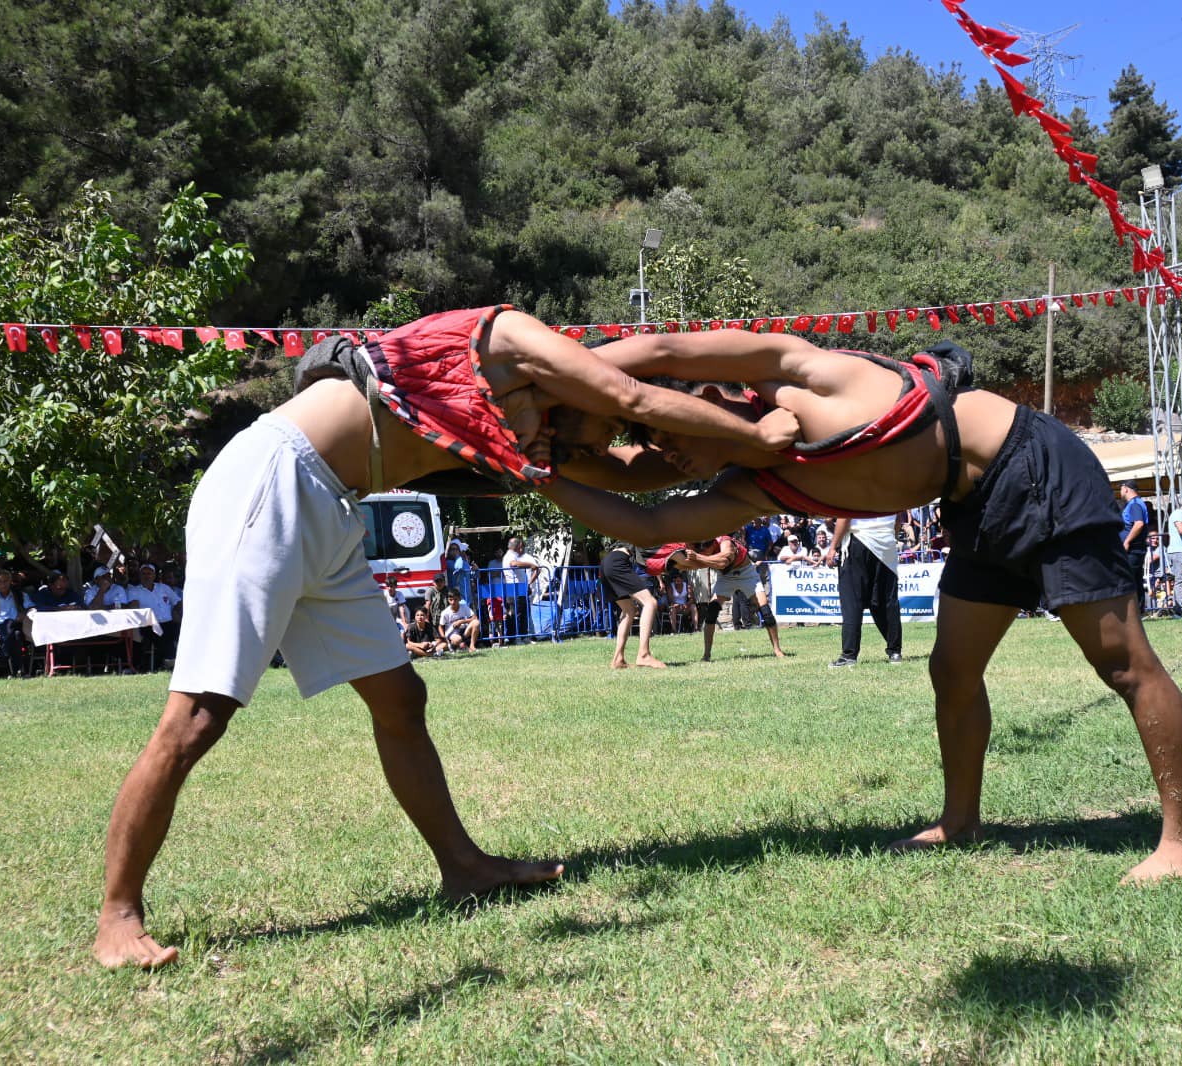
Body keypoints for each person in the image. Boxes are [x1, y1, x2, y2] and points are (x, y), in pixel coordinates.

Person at [100, 304, 780, 969]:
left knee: (401, 699)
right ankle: (117, 916)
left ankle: (463, 867)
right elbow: (631, 391)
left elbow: (633, 480)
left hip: (333, 507)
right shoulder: (509, 336)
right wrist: (765, 438)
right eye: (602, 432)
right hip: (273, 480)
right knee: (196, 719)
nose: (590, 451)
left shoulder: (527, 431)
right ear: (586, 390)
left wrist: (741, 464)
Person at [544, 329, 1182, 882]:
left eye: (665, 437)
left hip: (1035, 463)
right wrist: (536, 470)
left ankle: (1181, 840)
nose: (668, 458)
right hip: (974, 503)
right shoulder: (755, 485)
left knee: (1121, 663)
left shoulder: (804, 374)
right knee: (952, 671)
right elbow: (649, 520)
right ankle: (961, 821)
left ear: (710, 399)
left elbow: (664, 349)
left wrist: (567, 366)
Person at [681, 532, 786, 661]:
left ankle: (777, 649)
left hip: (746, 573)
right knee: (711, 612)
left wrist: (697, 557)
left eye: (708, 552)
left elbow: (722, 562)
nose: (706, 554)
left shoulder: (726, 543)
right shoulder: (700, 547)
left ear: (713, 544)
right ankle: (706, 654)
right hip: (725, 577)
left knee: (766, 612)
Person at [825, 514, 904, 667]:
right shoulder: (895, 489)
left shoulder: (855, 489)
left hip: (859, 541)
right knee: (886, 600)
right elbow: (899, 519)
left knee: (852, 601)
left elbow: (845, 517)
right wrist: (887, 535)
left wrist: (833, 546)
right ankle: (895, 652)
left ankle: (849, 655)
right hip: (886, 544)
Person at [597, 544, 668, 669]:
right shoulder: (646, 533)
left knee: (629, 611)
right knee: (650, 603)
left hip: (606, 563)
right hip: (618, 563)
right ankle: (644, 655)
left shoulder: (628, 532)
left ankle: (618, 660)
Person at [1119, 482, 1150, 610]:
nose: (1120, 492)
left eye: (1121, 489)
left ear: (1126, 489)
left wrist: (1127, 541)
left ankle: (1131, 611)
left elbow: (1138, 524)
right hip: (1135, 548)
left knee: (1128, 578)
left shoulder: (1135, 505)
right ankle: (1139, 610)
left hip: (1133, 549)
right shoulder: (1135, 504)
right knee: (1135, 579)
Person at [438, 588, 482, 652]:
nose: (453, 602)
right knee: (457, 639)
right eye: (451, 600)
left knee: (476, 623)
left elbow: (475, 618)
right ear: (448, 600)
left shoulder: (463, 607)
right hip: (452, 633)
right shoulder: (445, 612)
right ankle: (454, 645)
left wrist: (461, 621)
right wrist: (443, 637)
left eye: (455, 599)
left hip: (464, 631)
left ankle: (472, 646)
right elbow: (440, 626)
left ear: (459, 599)